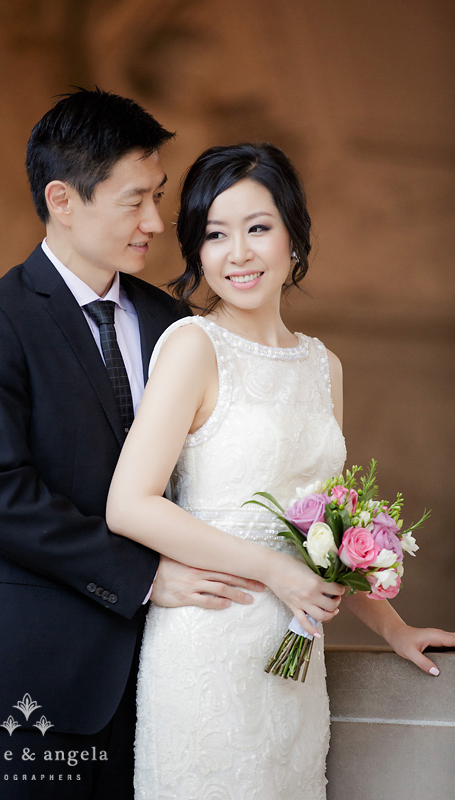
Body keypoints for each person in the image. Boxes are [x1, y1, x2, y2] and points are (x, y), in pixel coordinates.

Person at [0, 90, 262, 800]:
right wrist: (144, 577)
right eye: (134, 200)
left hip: (166, 689)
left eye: (159, 197)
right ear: (62, 199)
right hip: (27, 686)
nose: (153, 223)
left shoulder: (180, 324)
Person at [106, 142, 455, 798]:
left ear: (293, 238)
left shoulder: (324, 367)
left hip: (293, 665)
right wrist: (273, 570)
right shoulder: (191, 346)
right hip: (207, 649)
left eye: (257, 228)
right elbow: (129, 504)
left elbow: (328, 533)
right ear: (197, 252)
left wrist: (393, 626)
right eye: (214, 234)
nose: (237, 253)